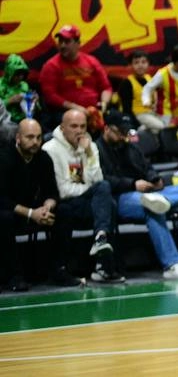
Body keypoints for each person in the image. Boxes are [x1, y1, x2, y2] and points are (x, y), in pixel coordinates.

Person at [96, 111, 178, 279]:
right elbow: (102, 179)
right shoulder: (96, 150)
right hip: (121, 197)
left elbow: (147, 168)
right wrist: (132, 184)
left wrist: (155, 180)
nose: (124, 136)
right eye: (120, 132)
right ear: (107, 129)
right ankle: (172, 265)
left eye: (126, 132)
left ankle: (161, 199)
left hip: (147, 193)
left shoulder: (131, 147)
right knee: (153, 210)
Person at [43, 108, 125, 283]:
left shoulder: (90, 146)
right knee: (102, 197)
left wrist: (88, 153)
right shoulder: (50, 149)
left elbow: (98, 180)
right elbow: (62, 190)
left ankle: (102, 258)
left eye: (83, 126)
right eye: (74, 126)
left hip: (84, 202)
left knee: (109, 202)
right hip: (64, 202)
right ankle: (102, 259)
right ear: (62, 128)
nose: (79, 131)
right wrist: (90, 188)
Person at [0, 118, 78, 289]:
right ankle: (14, 276)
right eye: (29, 137)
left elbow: (52, 192)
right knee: (3, 219)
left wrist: (47, 207)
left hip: (36, 210)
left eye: (38, 137)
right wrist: (30, 213)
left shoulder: (43, 158)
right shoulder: (4, 158)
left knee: (65, 211)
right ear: (18, 138)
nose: (35, 142)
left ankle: (59, 269)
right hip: (13, 211)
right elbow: (2, 199)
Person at [38, 25, 112, 114]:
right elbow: (50, 96)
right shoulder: (51, 66)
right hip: (65, 112)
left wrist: (104, 103)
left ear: (78, 43)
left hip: (94, 111)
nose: (62, 45)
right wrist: (74, 107)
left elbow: (106, 88)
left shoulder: (92, 61)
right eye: (60, 41)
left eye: (67, 41)